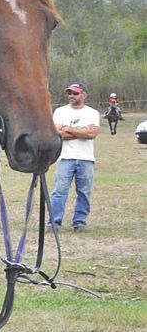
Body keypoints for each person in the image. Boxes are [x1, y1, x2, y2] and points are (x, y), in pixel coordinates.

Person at [49, 83, 100, 231]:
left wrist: (68, 128)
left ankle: (79, 222)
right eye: (69, 93)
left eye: (75, 93)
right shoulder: (59, 112)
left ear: (84, 95)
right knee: (59, 192)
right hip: (65, 158)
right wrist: (82, 131)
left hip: (86, 159)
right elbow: (58, 134)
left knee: (84, 192)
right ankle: (54, 223)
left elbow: (92, 134)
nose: (72, 96)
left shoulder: (92, 113)